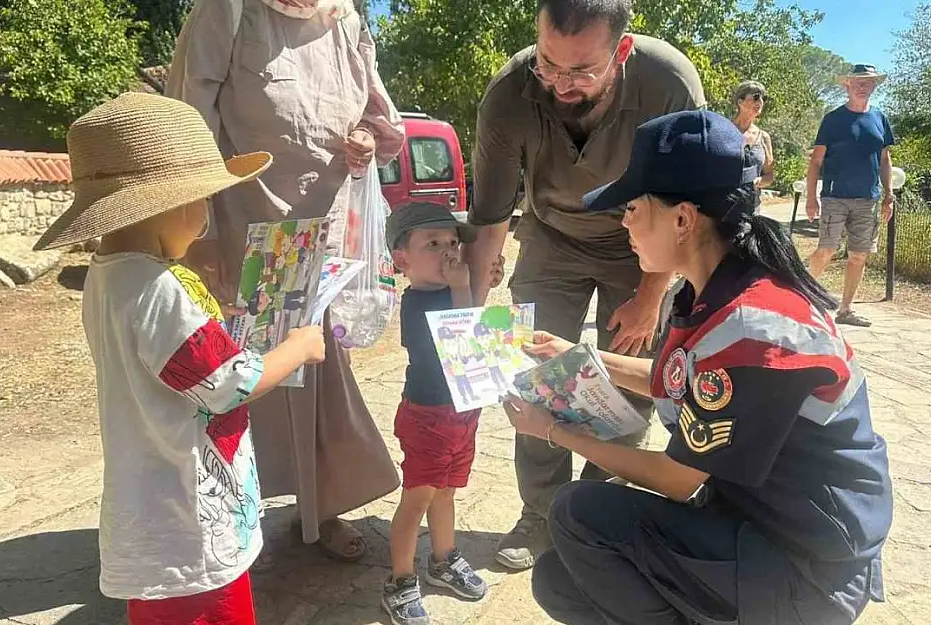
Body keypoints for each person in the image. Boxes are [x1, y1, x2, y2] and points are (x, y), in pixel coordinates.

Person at [503, 109, 893, 625]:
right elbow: (690, 381)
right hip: (759, 520)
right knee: (561, 583)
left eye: (634, 208)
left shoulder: (756, 327)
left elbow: (678, 479)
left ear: (683, 219)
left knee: (580, 513)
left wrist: (552, 431)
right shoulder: (711, 291)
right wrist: (579, 356)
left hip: (807, 564)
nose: (624, 223)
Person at [30, 92, 327, 624]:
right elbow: (232, 383)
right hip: (191, 528)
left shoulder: (108, 276)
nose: (207, 220)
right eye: (205, 202)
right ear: (171, 203)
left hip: (154, 518)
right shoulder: (156, 289)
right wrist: (298, 346)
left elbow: (177, 358)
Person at [464, 0, 706, 570]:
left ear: (621, 51)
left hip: (640, 243)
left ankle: (599, 504)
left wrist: (652, 296)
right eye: (549, 64)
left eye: (581, 72)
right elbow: (492, 215)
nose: (559, 84)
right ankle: (541, 512)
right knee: (535, 374)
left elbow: (685, 205)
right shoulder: (508, 94)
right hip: (550, 238)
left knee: (625, 382)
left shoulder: (669, 82)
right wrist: (469, 316)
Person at [167, 0, 406, 564]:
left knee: (316, 371)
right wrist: (197, 233)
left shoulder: (343, 16)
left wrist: (366, 142)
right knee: (239, 374)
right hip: (243, 231)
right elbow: (188, 118)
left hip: (324, 229)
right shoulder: (226, 9)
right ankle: (223, 515)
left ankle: (320, 509)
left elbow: (380, 119)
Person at [380, 203, 505, 625]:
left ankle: (443, 557)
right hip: (428, 417)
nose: (449, 252)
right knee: (418, 496)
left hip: (462, 412)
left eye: (452, 242)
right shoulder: (415, 303)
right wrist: (464, 287)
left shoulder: (451, 291)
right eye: (432, 244)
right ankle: (400, 579)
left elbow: (475, 336)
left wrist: (480, 282)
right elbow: (459, 334)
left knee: (447, 490)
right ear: (402, 260)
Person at [806, 63, 895, 327]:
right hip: (835, 196)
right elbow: (816, 161)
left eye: (868, 82)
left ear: (874, 86)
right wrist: (812, 197)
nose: (862, 85)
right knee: (827, 250)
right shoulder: (833, 119)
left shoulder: (879, 118)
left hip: (868, 199)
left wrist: (888, 194)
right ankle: (800, 295)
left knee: (859, 254)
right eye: (857, 81)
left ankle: (845, 310)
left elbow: (884, 158)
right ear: (847, 85)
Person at [730, 80, 775, 212]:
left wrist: (758, 182)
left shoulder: (764, 137)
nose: (760, 101)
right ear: (740, 101)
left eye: (763, 98)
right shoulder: (723, 130)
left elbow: (769, 176)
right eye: (756, 97)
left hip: (751, 208)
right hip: (722, 205)